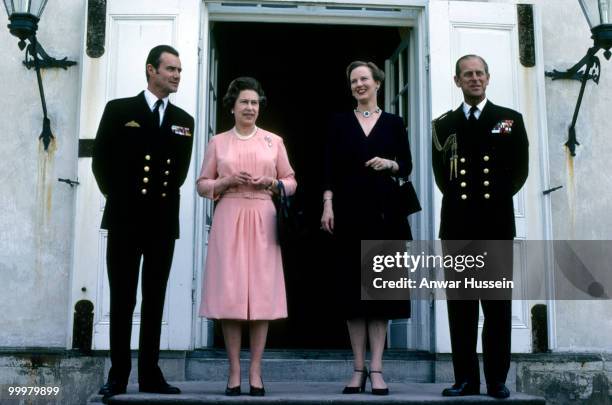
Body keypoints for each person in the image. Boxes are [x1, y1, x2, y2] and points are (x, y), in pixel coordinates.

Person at [92, 45, 194, 402]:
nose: (177, 75)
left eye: (180, 70)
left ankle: (151, 373)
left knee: (155, 299)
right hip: (124, 219)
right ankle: (118, 375)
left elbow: (178, 174)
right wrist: (122, 199)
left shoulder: (184, 120)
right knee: (122, 299)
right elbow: (100, 163)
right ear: (152, 70)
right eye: (171, 69)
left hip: (163, 222)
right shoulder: (120, 110)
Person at [432, 54, 529, 399]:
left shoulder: (509, 120)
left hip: (495, 225)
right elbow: (443, 178)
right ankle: (465, 380)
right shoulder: (442, 124)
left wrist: (492, 202)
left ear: (488, 78)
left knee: (497, 306)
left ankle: (496, 381)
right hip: (457, 227)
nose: (474, 79)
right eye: (467, 74)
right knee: (461, 307)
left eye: (479, 73)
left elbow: (519, 172)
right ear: (457, 81)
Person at [197, 77, 296, 397]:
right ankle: (234, 372)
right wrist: (223, 183)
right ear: (232, 106)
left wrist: (272, 183)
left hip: (263, 217)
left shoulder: (273, 141)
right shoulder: (218, 142)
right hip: (229, 215)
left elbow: (291, 180)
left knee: (261, 295)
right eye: (244, 102)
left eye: (254, 103)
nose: (250, 108)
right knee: (231, 293)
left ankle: (255, 370)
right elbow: (201, 184)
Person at [321, 61, 412, 396]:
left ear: (378, 83)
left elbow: (408, 164)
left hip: (385, 216)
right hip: (347, 214)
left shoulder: (394, 123)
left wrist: (390, 164)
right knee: (352, 295)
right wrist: (327, 203)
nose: (359, 85)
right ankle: (357, 369)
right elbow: (328, 166)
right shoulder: (339, 122)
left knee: (381, 295)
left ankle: (377, 370)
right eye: (354, 81)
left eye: (364, 79)